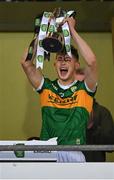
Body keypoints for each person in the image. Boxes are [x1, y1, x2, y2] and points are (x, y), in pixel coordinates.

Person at [21, 17, 97, 162]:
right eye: (60, 59)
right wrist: (42, 35)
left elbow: (92, 62)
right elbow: (25, 63)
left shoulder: (85, 88)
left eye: (67, 59)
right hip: (47, 152)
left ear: (76, 65)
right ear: (54, 63)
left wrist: (72, 30)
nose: (63, 62)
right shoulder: (46, 87)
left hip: (74, 154)